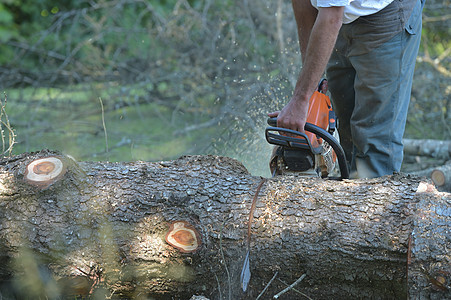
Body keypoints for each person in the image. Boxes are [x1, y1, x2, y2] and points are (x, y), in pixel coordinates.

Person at [268, 0, 425, 178]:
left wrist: (300, 100)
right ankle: (346, 198)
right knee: (347, 132)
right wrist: (309, 88)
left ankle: (373, 202)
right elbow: (302, 3)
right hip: (338, 19)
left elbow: (332, 16)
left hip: (385, 18)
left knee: (373, 143)